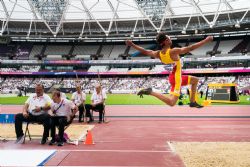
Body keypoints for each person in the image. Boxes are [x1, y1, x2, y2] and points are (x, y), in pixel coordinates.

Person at [126, 33, 213, 108]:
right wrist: (206, 40)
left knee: (195, 80)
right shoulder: (173, 51)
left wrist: (132, 44)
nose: (170, 39)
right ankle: (151, 92)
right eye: (168, 38)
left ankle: (192, 102)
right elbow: (190, 48)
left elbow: (145, 51)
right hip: (177, 79)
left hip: (174, 77)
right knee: (172, 102)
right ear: (165, 42)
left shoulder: (158, 54)